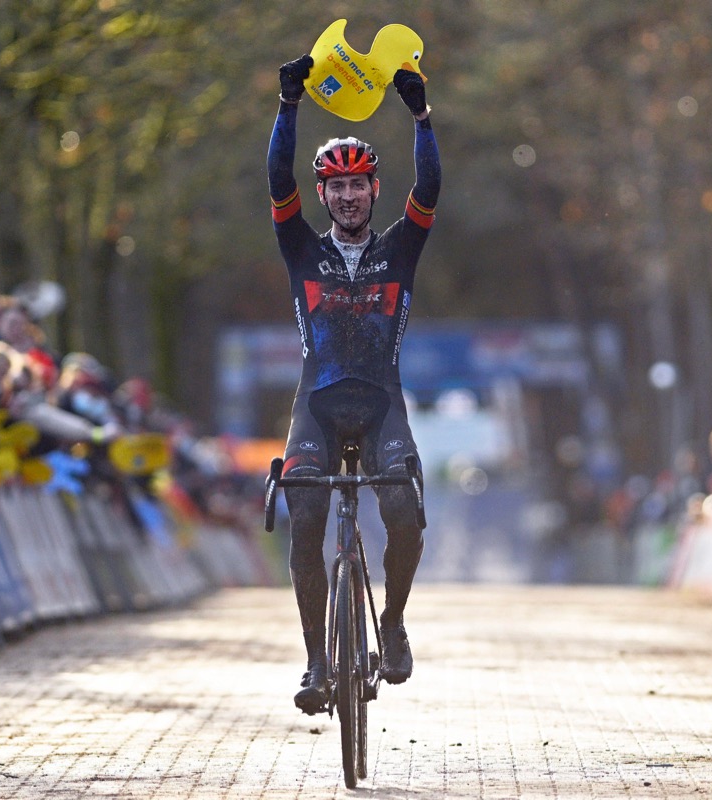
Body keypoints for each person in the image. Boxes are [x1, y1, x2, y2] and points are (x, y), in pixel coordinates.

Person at [269, 54, 441, 713]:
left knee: (403, 511)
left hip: (382, 406)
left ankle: (391, 621)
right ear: (323, 196)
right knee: (305, 515)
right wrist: (288, 107)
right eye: (335, 188)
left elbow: (431, 187)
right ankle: (316, 661)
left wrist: (420, 115)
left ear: (374, 190)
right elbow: (276, 175)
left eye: (358, 185)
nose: (346, 196)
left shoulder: (400, 249)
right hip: (316, 405)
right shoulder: (299, 248)